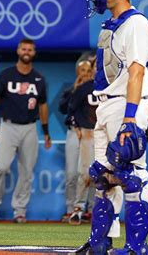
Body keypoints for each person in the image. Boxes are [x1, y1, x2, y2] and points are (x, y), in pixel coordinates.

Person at [76, 0, 148, 254]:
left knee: (130, 175)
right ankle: (100, 242)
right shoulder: (112, 24)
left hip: (126, 104)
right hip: (107, 106)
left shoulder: (135, 24)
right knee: (103, 176)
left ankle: (137, 246)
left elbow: (136, 72)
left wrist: (130, 118)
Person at [0, 38, 52, 223]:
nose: (27, 52)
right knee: (2, 167)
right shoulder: (6, 75)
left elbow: (43, 106)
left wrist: (46, 132)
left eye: (30, 49)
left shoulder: (38, 78)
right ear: (18, 50)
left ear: (34, 52)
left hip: (30, 127)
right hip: (8, 126)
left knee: (27, 171)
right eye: (24, 48)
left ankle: (20, 210)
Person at [58, 59, 92, 222]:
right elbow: (63, 108)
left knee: (90, 173)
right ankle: (71, 208)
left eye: (88, 70)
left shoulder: (97, 90)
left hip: (91, 134)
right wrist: (74, 90)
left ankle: (90, 209)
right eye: (82, 70)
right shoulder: (70, 90)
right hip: (74, 133)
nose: (85, 73)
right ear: (77, 72)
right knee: (72, 174)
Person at [67, 61, 98, 225]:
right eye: (96, 67)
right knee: (85, 173)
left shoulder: (112, 89)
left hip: (104, 134)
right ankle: (78, 208)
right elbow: (70, 111)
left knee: (102, 174)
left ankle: (95, 209)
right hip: (87, 132)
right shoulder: (84, 88)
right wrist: (77, 128)